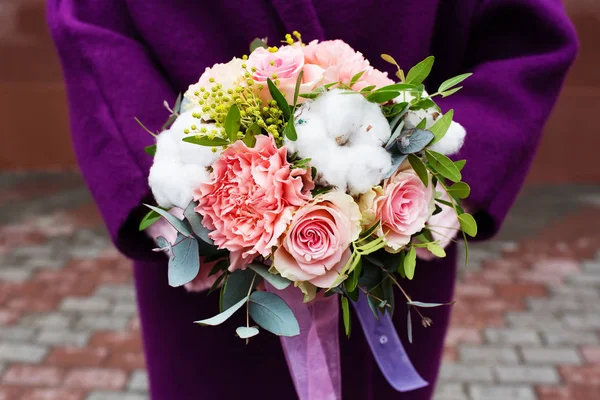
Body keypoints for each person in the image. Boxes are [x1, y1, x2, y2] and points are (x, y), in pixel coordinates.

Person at [47, 1, 577, 399]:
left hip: (392, 242)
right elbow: (93, 25)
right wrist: (169, 197)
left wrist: (428, 180)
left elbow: (522, 39)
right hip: (208, 247)